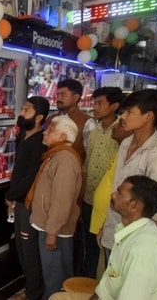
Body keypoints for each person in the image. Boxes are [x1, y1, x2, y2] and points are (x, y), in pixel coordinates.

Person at [50, 176, 157, 300]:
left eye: (119, 193)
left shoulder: (143, 251)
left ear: (134, 206)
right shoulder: (128, 232)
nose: (113, 195)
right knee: (57, 297)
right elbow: (107, 286)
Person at [100, 89, 157, 258]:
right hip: (113, 230)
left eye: (129, 112)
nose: (123, 117)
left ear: (148, 116)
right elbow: (117, 188)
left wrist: (138, 249)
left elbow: (155, 211)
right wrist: (106, 225)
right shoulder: (126, 143)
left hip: (133, 243)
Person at [26, 115, 83, 299]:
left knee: (55, 276)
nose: (45, 131)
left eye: (50, 129)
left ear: (62, 136)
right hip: (50, 226)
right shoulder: (56, 154)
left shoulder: (64, 159)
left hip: (55, 230)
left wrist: (52, 232)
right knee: (52, 273)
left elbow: (62, 199)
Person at [45, 79, 94, 276]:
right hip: (51, 182)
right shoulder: (52, 120)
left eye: (62, 94)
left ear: (76, 97)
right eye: (57, 94)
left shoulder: (87, 122)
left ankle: (74, 277)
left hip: (73, 183)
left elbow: (89, 156)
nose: (58, 98)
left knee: (72, 231)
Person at [4, 96, 50, 300]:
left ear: (39, 117)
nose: (21, 112)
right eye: (22, 108)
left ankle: (34, 293)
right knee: (22, 250)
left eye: (27, 110)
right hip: (18, 201)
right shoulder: (23, 134)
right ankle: (30, 288)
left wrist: (11, 195)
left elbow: (30, 177)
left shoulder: (40, 141)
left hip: (28, 203)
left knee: (30, 252)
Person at [81, 86, 126, 279]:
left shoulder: (122, 133)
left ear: (114, 105)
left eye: (100, 103)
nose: (95, 107)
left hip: (111, 201)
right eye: (94, 102)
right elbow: (87, 164)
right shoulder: (94, 131)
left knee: (109, 245)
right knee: (89, 243)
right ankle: (89, 282)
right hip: (90, 198)